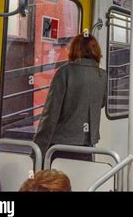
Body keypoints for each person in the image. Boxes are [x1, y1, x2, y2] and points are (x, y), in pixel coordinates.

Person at [34, 33, 107, 161]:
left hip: (60, 146)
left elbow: (50, 114)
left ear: (74, 50)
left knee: (58, 180)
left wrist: (37, 149)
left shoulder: (64, 73)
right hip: (86, 144)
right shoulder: (102, 75)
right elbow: (101, 103)